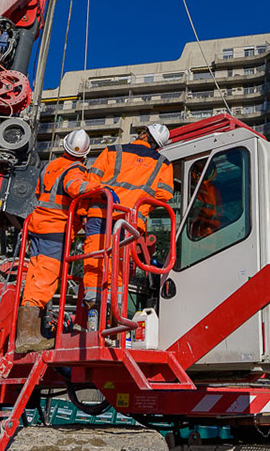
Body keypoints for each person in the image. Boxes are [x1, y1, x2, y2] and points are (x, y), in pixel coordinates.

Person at [16, 129, 97, 353]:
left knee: (35, 276)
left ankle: (31, 334)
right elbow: (75, 187)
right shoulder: (75, 169)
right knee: (45, 280)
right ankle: (26, 337)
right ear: (84, 154)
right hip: (55, 229)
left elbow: (38, 192)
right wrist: (100, 188)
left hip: (39, 225)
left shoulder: (51, 166)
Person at [81, 123, 175, 310]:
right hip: (129, 220)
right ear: (158, 145)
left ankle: (93, 304)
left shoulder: (112, 151)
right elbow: (165, 195)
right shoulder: (163, 163)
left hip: (100, 213)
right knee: (119, 263)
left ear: (144, 134)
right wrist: (140, 202)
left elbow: (91, 182)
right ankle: (114, 311)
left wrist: (83, 212)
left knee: (94, 259)